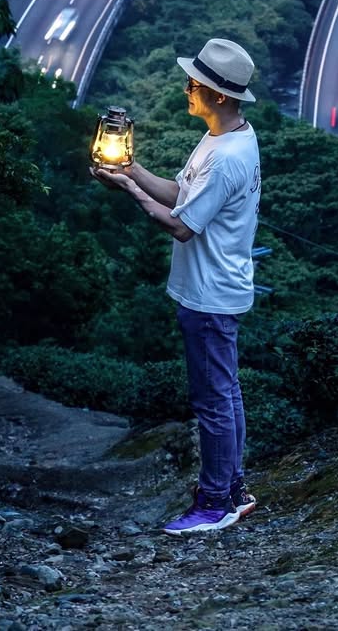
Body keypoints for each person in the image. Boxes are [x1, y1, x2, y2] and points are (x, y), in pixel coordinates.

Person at [91, 36, 261, 535]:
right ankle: (233, 489)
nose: (187, 89)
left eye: (195, 84)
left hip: (209, 293)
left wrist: (127, 191)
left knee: (213, 402)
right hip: (216, 285)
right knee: (226, 394)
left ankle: (214, 503)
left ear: (220, 95)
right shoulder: (224, 138)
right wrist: (132, 169)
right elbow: (183, 193)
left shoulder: (227, 156)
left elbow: (182, 224)